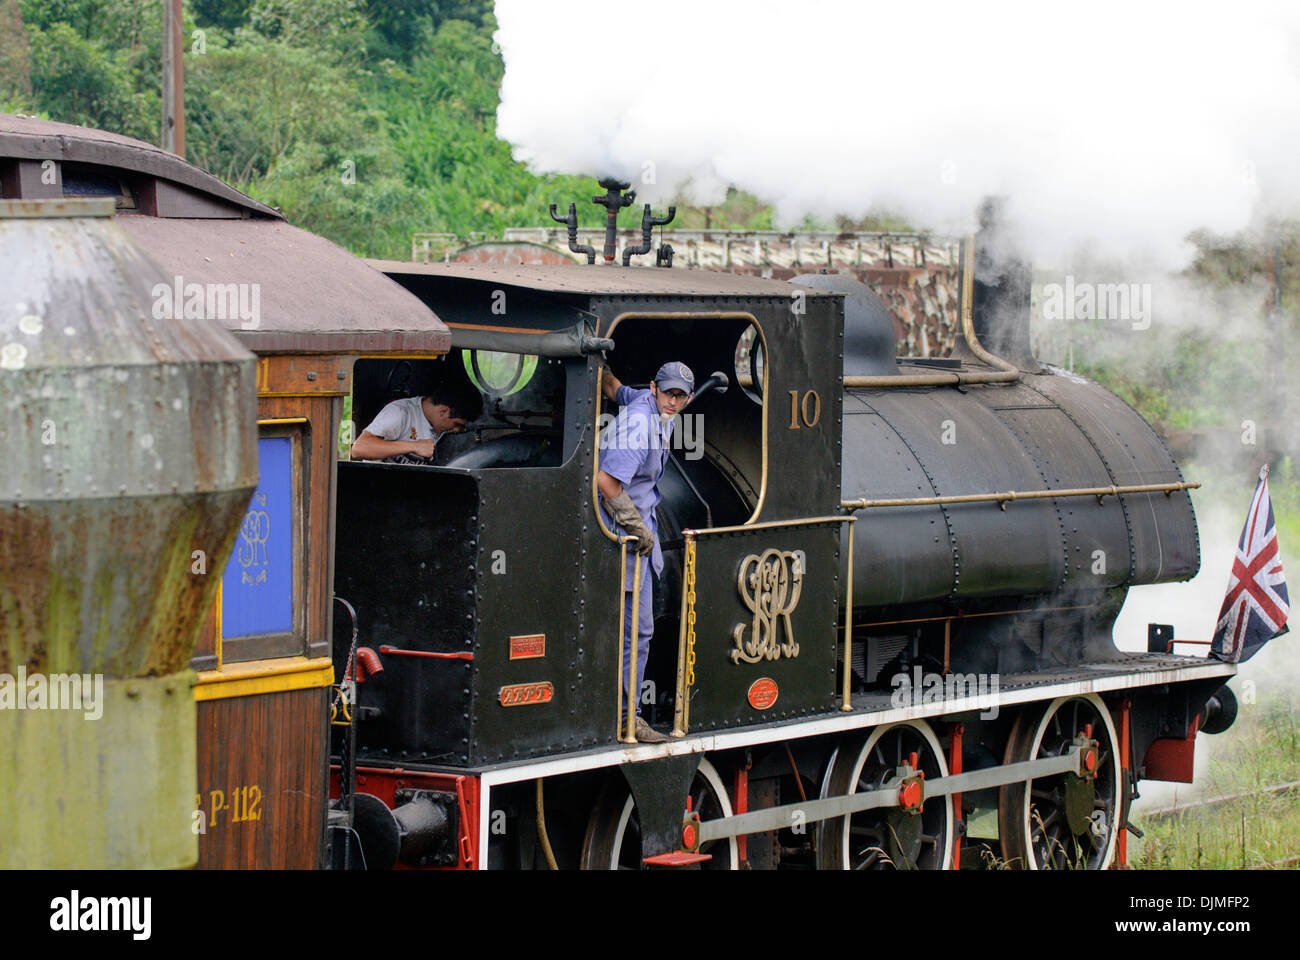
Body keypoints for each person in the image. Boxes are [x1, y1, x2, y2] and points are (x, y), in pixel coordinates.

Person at [597, 361, 695, 743]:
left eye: (680, 396)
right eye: (669, 393)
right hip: (624, 537)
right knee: (637, 632)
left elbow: (615, 389)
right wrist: (636, 525)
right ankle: (626, 719)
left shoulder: (642, 400)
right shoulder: (640, 424)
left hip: (631, 532)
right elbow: (606, 481)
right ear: (655, 387)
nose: (673, 402)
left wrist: (603, 372)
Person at [351, 381, 483, 464]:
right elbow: (359, 448)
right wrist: (414, 446)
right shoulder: (400, 413)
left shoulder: (436, 425)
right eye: (456, 424)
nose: (456, 430)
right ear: (443, 411)